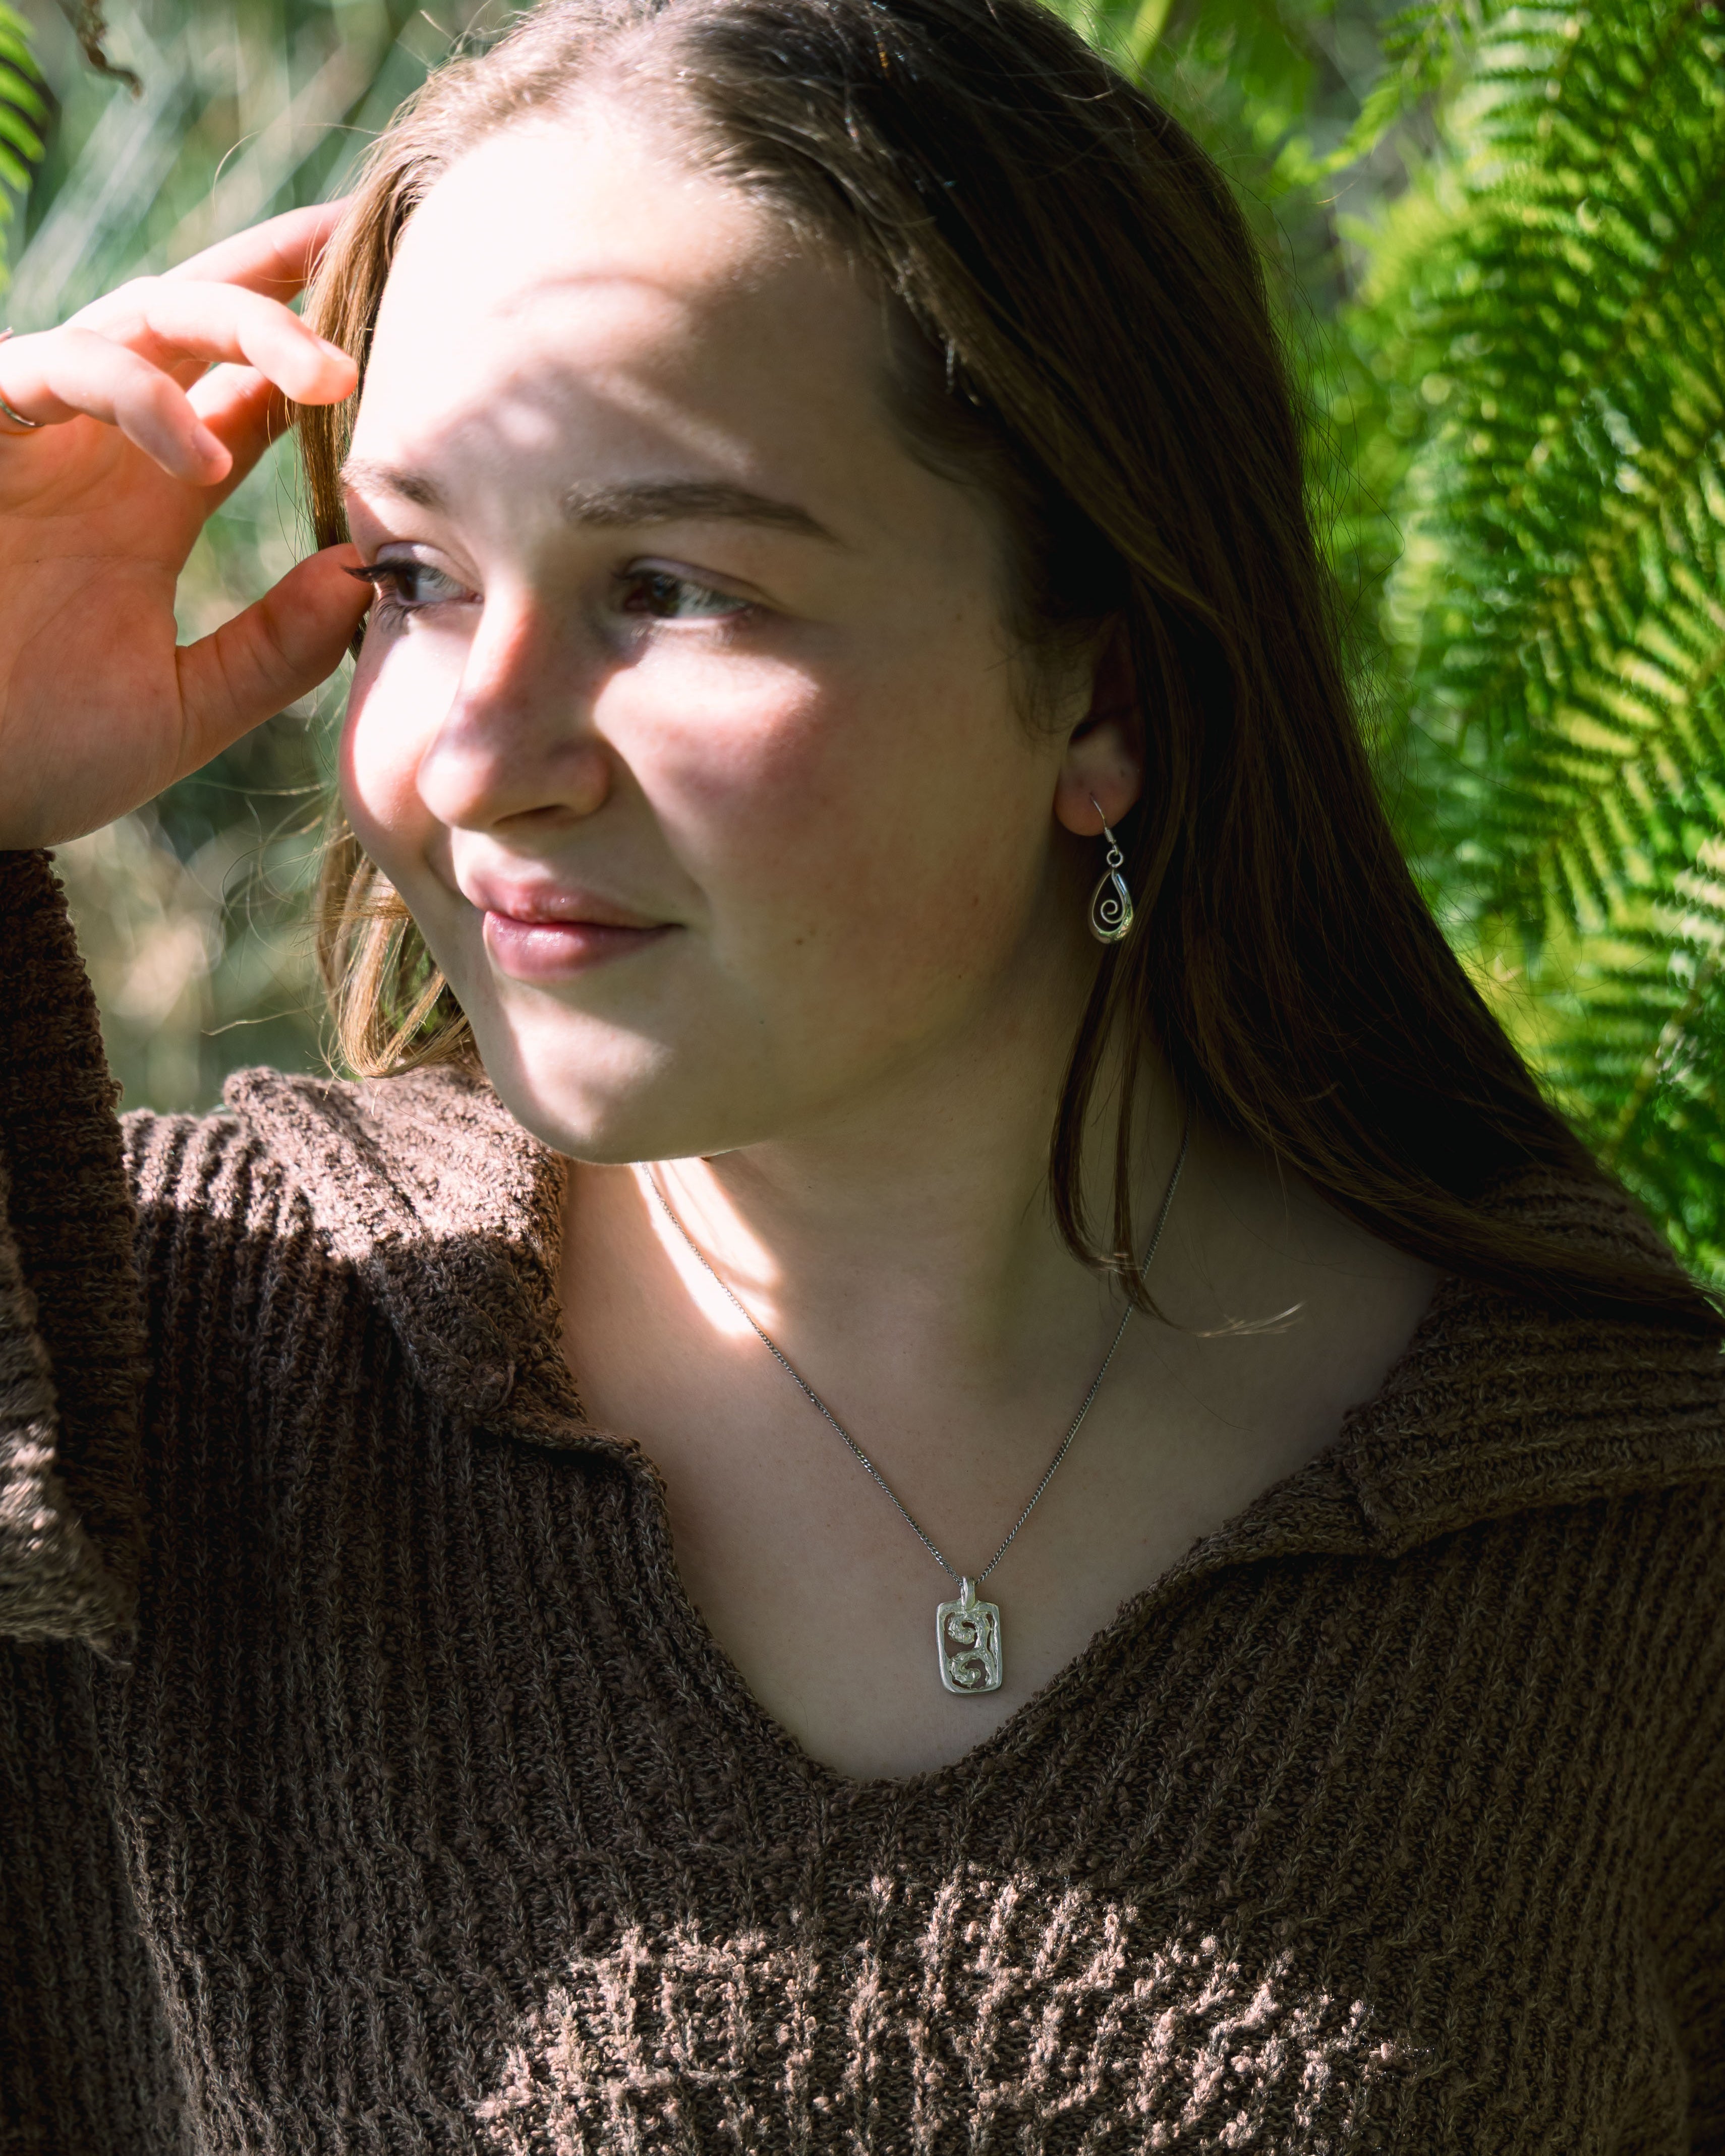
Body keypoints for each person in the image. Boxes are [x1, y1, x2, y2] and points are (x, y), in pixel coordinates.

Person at [2, 0, 1721, 2144]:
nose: (473, 756)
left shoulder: (1626, 1533)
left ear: (1103, 688)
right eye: (415, 575)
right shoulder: (138, 1370)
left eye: (667, 587)